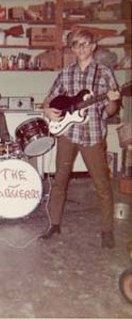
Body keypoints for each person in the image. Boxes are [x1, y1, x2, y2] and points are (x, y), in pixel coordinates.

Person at [39, 29, 120, 249]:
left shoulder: (104, 73)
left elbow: (111, 110)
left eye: (85, 44)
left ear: (93, 46)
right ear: (72, 48)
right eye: (76, 44)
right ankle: (54, 224)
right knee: (59, 181)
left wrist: (112, 100)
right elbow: (50, 97)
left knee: (102, 184)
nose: (81, 48)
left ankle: (107, 230)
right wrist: (47, 109)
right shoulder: (66, 73)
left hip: (93, 134)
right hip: (68, 133)